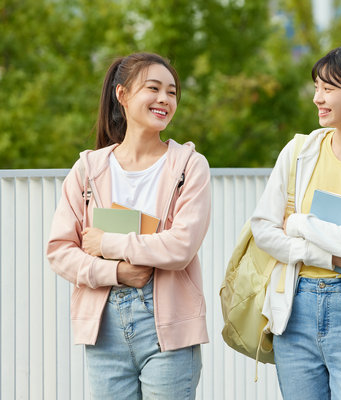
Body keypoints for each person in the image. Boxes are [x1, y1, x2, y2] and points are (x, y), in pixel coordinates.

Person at [46, 52, 211, 399]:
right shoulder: (88, 169)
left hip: (168, 326)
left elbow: (181, 246)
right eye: (154, 88)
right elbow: (60, 252)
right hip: (103, 328)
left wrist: (108, 244)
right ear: (122, 95)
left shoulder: (189, 166)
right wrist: (118, 273)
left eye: (172, 92)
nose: (165, 99)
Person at [250, 44, 341, 400]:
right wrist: (326, 257)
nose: (318, 97)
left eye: (329, 89)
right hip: (295, 309)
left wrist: (302, 223)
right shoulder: (300, 150)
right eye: (317, 87)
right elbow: (263, 229)